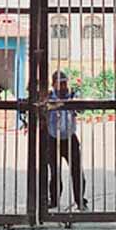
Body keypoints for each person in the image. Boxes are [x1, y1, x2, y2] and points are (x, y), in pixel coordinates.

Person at [46, 71, 87, 210]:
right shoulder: (48, 97)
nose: (63, 86)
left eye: (65, 83)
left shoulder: (73, 96)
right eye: (60, 83)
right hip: (53, 138)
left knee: (77, 171)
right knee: (54, 172)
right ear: (53, 84)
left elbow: (81, 110)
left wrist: (75, 103)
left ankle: (80, 200)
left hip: (70, 138)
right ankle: (54, 200)